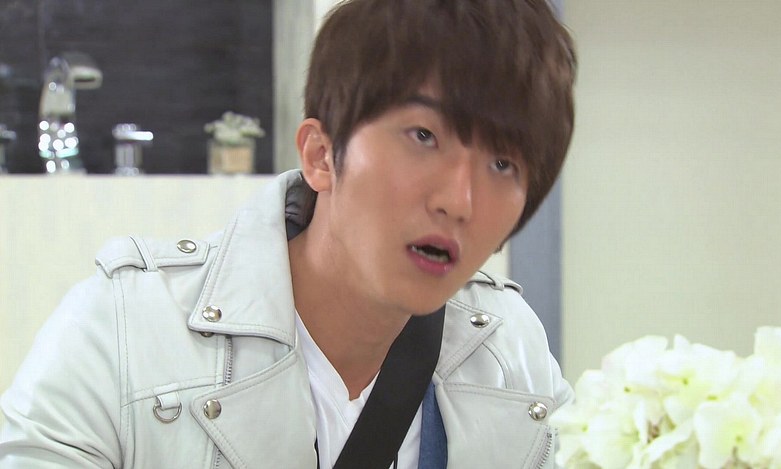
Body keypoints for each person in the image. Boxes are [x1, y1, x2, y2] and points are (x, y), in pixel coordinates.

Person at [0, 0, 577, 467]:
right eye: (424, 136)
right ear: (322, 155)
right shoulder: (124, 330)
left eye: (503, 163)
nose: (460, 201)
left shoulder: (512, 352)